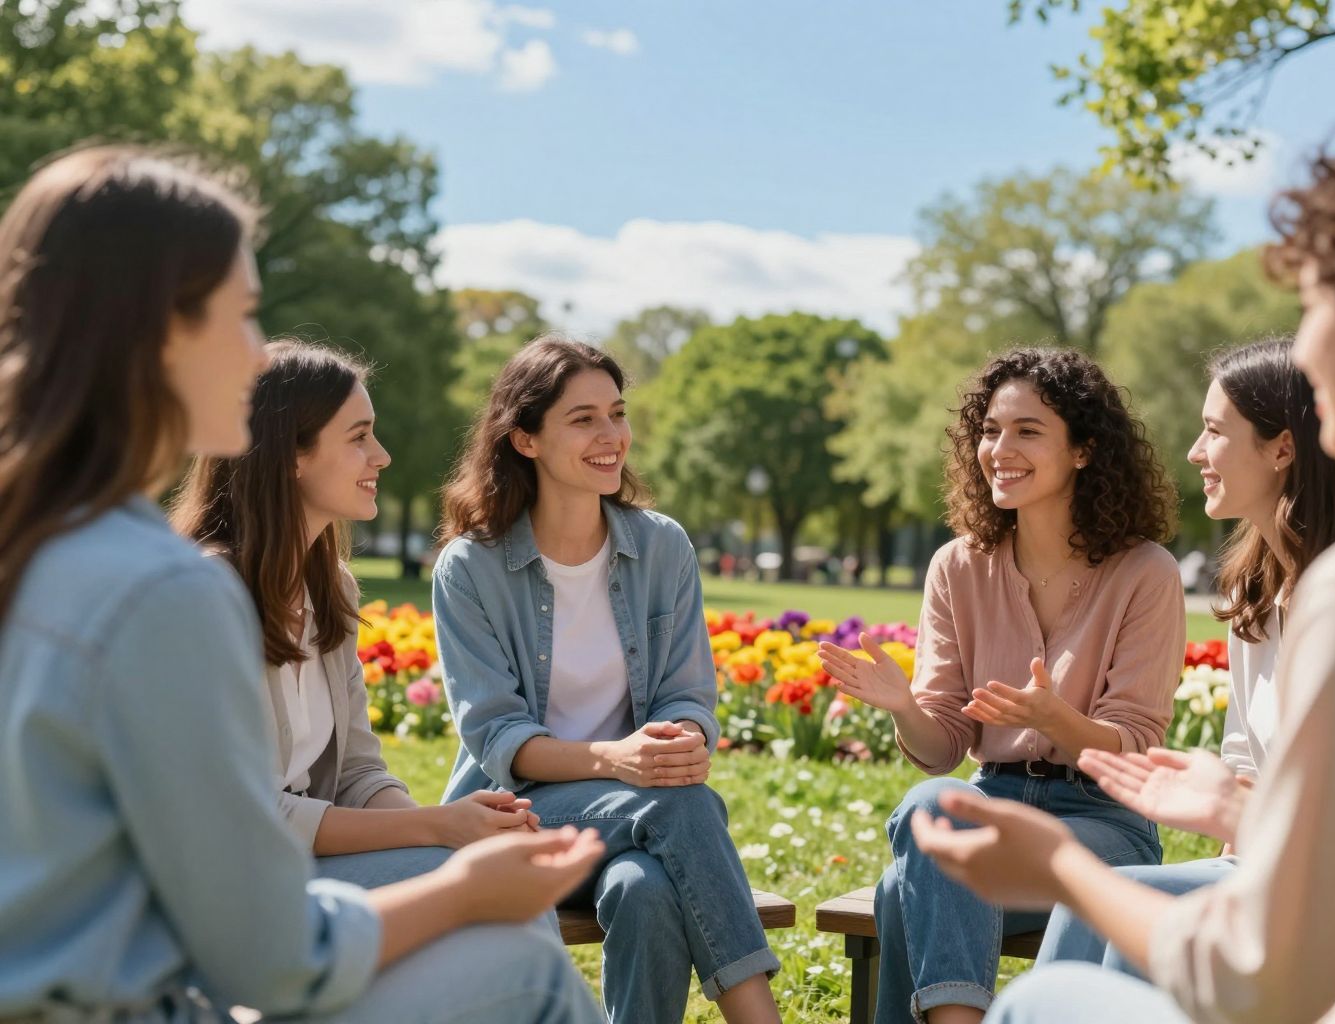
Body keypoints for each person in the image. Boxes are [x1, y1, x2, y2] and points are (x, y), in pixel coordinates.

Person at [911, 118, 1335, 1024]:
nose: (1308, 351)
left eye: (1321, 307)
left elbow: (1259, 978)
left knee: (1041, 1003)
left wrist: (1058, 868)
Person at [0, 145, 604, 1023]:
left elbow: (345, 778)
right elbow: (270, 959)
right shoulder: (167, 592)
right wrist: (462, 883)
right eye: (242, 315)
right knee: (527, 971)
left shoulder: (43, 551)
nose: (255, 357)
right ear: (160, 330)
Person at [817, 348, 1185, 1023]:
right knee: (934, 805)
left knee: (905, 888)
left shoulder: (1145, 573)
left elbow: (1134, 750)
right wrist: (904, 707)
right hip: (991, 801)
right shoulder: (956, 567)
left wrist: (1057, 721)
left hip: (1101, 823)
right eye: (989, 430)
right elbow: (942, 749)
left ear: (1084, 451)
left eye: (1027, 431)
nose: (999, 449)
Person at [432, 335, 781, 1024]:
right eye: (583, 418)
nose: (611, 436)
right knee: (679, 808)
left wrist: (679, 740)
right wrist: (616, 760)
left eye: (617, 414)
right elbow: (497, 735)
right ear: (525, 439)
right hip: (518, 817)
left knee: (646, 890)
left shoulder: (661, 545)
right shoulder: (470, 568)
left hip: (635, 823)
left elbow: (688, 693)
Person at [1033, 337, 1335, 975]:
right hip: (1258, 865)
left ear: (1282, 447)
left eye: (1212, 432)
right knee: (1094, 900)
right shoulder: (1255, 596)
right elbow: (1246, 763)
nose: (1196, 453)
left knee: (1136, 905)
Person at [171, 340, 541, 892]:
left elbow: (357, 774)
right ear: (291, 453)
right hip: (221, 884)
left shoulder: (330, 587)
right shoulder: (204, 595)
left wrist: (453, 832)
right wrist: (438, 826)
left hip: (303, 871)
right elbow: (243, 811)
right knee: (480, 887)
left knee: (497, 876)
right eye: (358, 436)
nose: (382, 455)